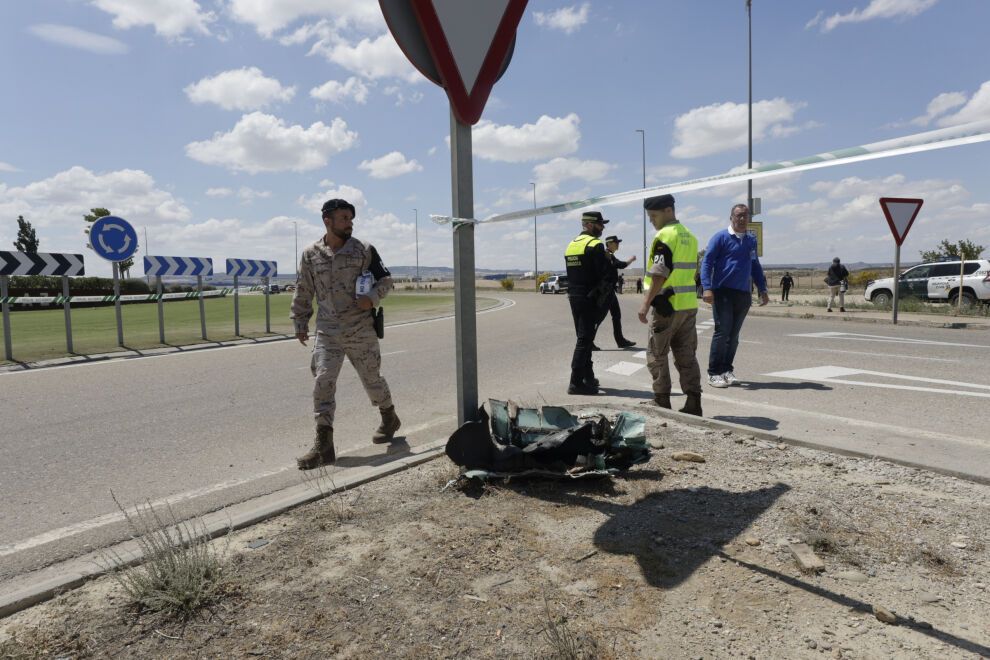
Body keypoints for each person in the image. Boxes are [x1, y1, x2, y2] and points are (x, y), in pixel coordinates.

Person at [290, 198, 400, 469]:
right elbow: (304, 289)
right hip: (327, 331)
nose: (349, 223)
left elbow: (386, 281)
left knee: (372, 380)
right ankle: (323, 445)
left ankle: (389, 417)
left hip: (360, 328)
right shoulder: (310, 254)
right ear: (327, 221)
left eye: (351, 218)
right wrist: (300, 321)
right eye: (344, 218)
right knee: (323, 380)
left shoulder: (363, 249)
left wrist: (372, 298)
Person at [637, 194, 703, 415]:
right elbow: (693, 273)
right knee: (686, 354)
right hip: (688, 305)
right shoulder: (690, 236)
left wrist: (645, 304)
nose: (651, 221)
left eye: (653, 216)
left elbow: (659, 274)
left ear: (668, 210)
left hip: (666, 306)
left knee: (657, 353)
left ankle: (661, 400)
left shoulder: (665, 236)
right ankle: (694, 401)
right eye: (649, 217)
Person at [700, 203, 769, 389]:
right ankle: (713, 373)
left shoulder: (750, 240)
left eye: (745, 215)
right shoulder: (720, 237)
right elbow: (706, 263)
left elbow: (755, 265)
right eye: (738, 215)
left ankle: (726, 370)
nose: (742, 218)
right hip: (723, 292)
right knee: (722, 333)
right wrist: (707, 287)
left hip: (743, 294)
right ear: (731, 217)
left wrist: (762, 289)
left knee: (734, 335)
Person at [564, 211, 611, 395]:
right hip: (590, 298)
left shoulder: (571, 245)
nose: (603, 227)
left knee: (585, 338)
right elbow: (604, 275)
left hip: (574, 296)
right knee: (585, 340)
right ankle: (575, 382)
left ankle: (588, 377)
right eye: (600, 224)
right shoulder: (595, 245)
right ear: (590, 225)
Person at [594, 235, 637, 350]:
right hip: (606, 291)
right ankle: (588, 341)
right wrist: (631, 260)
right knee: (599, 317)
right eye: (616, 242)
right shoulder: (607, 254)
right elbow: (620, 264)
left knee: (616, 315)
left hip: (610, 291)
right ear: (610, 243)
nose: (618, 244)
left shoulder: (610, 255)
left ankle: (620, 340)